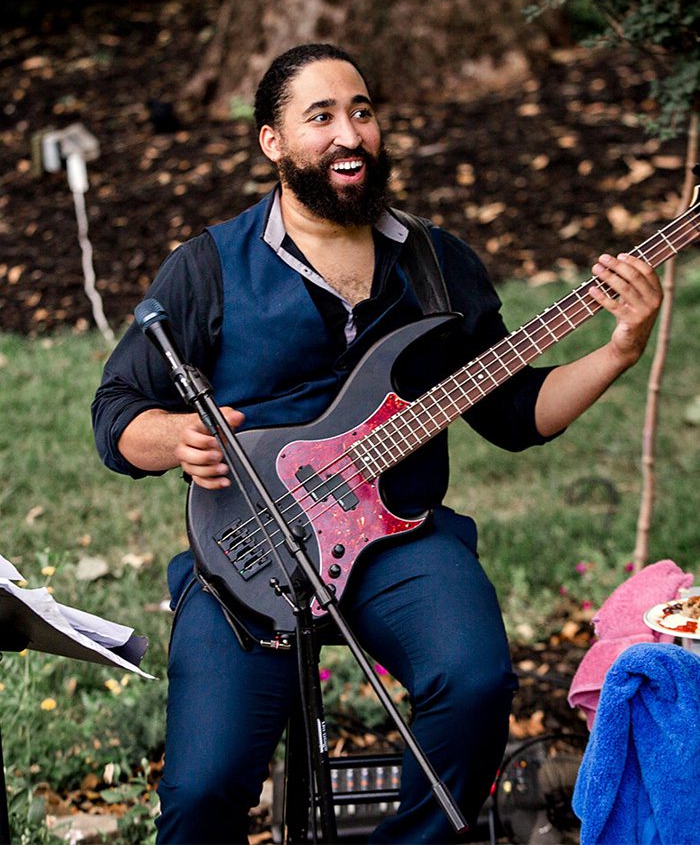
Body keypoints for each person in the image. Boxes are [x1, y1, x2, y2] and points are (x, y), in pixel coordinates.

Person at [92, 43, 662, 844]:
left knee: (474, 683)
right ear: (273, 142)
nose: (349, 134)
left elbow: (514, 412)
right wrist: (175, 437)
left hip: (399, 538)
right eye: (319, 117)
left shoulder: (434, 262)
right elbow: (117, 411)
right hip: (249, 550)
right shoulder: (208, 268)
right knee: (202, 789)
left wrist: (617, 349)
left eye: (361, 111)